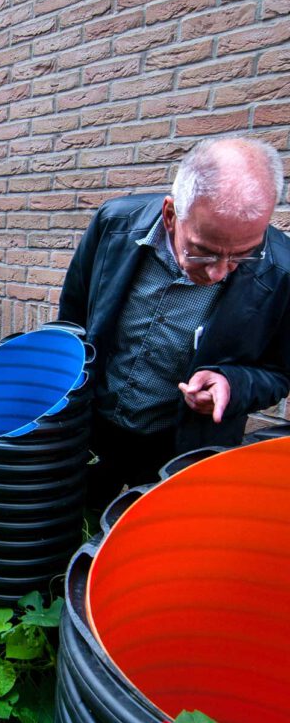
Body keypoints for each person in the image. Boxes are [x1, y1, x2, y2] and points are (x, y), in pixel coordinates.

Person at [58, 137, 290, 511]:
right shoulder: (114, 224)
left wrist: (232, 383)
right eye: (203, 252)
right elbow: (73, 320)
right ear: (170, 214)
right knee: (74, 520)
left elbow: (279, 374)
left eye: (243, 256)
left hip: (182, 449)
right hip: (91, 433)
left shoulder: (283, 272)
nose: (218, 273)